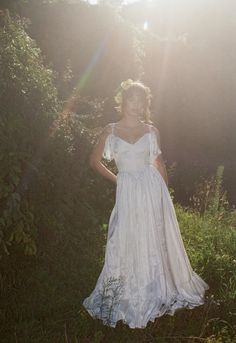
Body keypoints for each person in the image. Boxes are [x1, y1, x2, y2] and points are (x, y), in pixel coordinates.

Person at [82, 79, 209, 329]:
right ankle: (130, 289)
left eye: (142, 102)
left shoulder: (151, 130)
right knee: (126, 237)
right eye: (133, 100)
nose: (137, 106)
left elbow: (158, 164)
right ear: (123, 101)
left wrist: (165, 196)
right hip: (128, 190)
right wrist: (117, 179)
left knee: (153, 237)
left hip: (152, 188)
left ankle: (156, 284)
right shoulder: (110, 130)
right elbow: (94, 161)